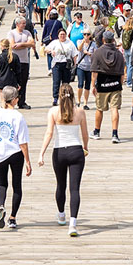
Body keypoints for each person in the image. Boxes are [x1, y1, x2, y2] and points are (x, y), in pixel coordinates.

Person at [37, 83, 89, 237]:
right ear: (73, 96)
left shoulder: (53, 112)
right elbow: (85, 134)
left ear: (59, 96)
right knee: (74, 189)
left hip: (59, 152)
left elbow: (49, 133)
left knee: (61, 185)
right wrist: (85, 147)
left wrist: (41, 154)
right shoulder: (80, 112)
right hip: (76, 151)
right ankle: (72, 224)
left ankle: (61, 215)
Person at [0, 86, 32, 230]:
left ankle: (1, 205)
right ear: (14, 100)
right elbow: (22, 142)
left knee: (1, 184)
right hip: (15, 154)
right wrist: (28, 161)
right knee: (16, 185)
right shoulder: (18, 116)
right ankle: (12, 218)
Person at [90, 29, 125, 143]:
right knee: (114, 109)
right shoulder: (119, 54)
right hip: (115, 84)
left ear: (103, 39)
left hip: (102, 84)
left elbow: (94, 72)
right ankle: (115, 134)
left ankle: (96, 131)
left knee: (99, 109)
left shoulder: (98, 53)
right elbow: (122, 73)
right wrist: (120, 84)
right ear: (113, 40)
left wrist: (93, 85)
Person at [46, 27, 78, 106]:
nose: (62, 36)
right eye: (61, 34)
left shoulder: (70, 43)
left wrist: (75, 64)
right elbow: (46, 49)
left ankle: (65, 97)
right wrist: (51, 51)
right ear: (58, 35)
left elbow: (74, 54)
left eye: (64, 34)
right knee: (56, 82)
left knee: (66, 82)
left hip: (66, 64)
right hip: (57, 64)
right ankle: (55, 98)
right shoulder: (55, 42)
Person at [9, 17, 36, 110]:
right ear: (17, 24)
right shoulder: (12, 33)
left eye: (25, 23)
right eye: (23, 23)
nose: (24, 25)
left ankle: (22, 102)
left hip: (24, 60)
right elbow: (13, 46)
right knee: (14, 82)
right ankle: (12, 101)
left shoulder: (27, 33)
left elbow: (32, 43)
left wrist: (20, 44)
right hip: (14, 61)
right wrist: (25, 44)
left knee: (23, 81)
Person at [74, 18, 97, 110]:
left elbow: (95, 54)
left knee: (87, 85)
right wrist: (83, 41)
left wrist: (90, 54)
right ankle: (79, 100)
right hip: (81, 66)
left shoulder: (93, 44)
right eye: (84, 34)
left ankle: (85, 103)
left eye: (88, 34)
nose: (86, 36)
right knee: (80, 84)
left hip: (89, 66)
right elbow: (79, 49)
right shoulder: (80, 41)